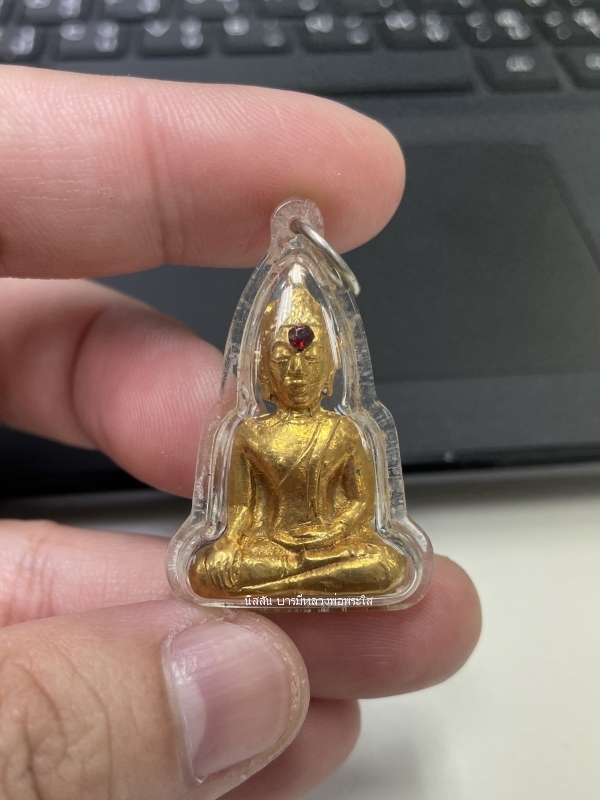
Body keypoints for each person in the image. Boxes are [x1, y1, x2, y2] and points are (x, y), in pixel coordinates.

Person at [0, 66, 481, 800]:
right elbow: (243, 529)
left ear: (329, 363)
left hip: (336, 555)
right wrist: (262, 551)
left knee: (382, 563)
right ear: (261, 366)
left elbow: (357, 524)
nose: (295, 369)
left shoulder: (346, 435)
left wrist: (327, 544)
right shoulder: (251, 438)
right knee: (221, 567)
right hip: (265, 556)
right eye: (281, 358)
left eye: (308, 356)